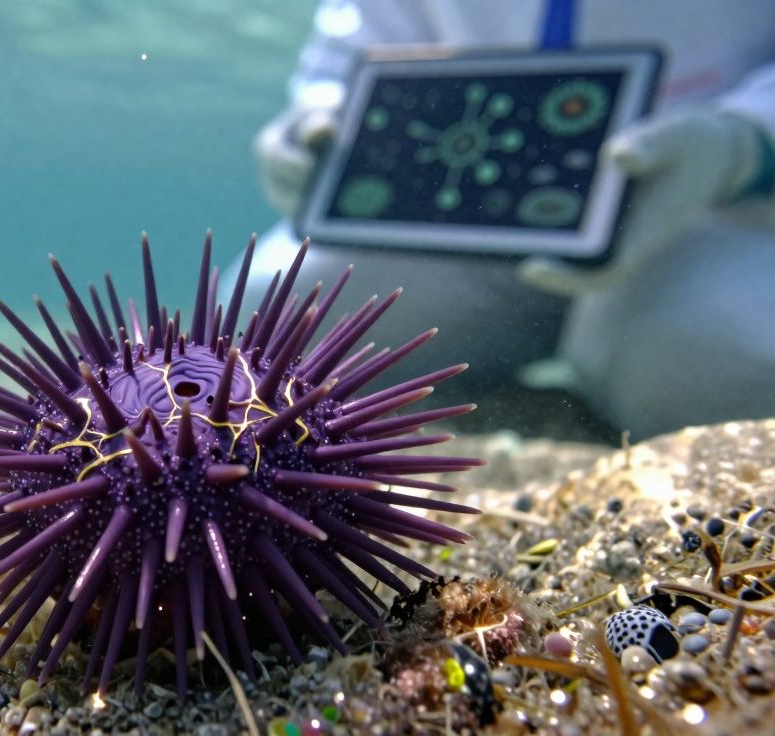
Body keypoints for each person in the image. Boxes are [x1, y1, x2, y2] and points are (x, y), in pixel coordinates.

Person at [227, 0, 775, 438]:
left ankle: (614, 354)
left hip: (721, 217)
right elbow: (351, 51)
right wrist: (316, 121)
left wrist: (747, 140)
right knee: (262, 331)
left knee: (712, 363)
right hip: (450, 226)